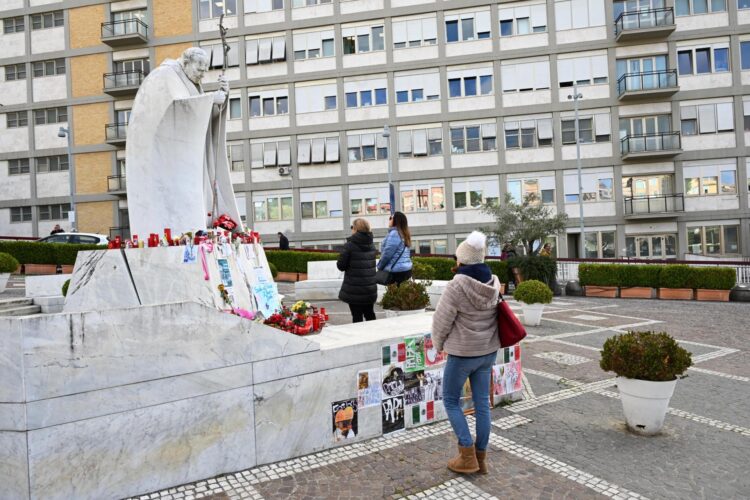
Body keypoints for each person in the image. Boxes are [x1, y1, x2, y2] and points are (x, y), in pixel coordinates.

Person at [126, 47, 242, 238]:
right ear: (186, 63)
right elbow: (172, 112)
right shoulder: (163, 76)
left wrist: (221, 98)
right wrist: (211, 99)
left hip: (189, 161)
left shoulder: (190, 81)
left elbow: (203, 121)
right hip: (167, 164)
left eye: (206, 70)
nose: (202, 75)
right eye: (200, 69)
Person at [431, 231, 501, 476]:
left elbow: (441, 321)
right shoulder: (493, 281)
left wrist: (438, 344)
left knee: (450, 400)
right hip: (487, 352)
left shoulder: (456, 285)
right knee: (482, 403)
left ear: (462, 260)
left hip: (462, 353)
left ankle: (466, 454)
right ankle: (481, 459)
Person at [337, 218, 377, 323]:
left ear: (355, 229)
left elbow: (341, 266)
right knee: (370, 314)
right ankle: (375, 335)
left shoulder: (349, 246)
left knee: (357, 317)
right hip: (369, 288)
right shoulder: (372, 245)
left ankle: (360, 338)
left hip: (355, 290)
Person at [378, 211, 413, 285]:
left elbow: (387, 254)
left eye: (391, 218)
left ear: (395, 221)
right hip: (406, 270)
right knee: (402, 294)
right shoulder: (404, 233)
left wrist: (380, 266)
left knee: (393, 294)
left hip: (396, 272)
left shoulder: (395, 233)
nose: (389, 220)